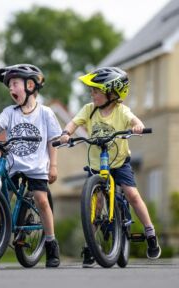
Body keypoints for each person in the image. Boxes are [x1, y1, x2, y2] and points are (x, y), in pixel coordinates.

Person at [60, 67, 161, 268]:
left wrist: (137, 127)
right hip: (97, 166)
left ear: (112, 92)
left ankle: (150, 232)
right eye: (92, 91)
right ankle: (91, 245)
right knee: (95, 207)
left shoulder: (121, 111)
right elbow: (73, 123)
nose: (92, 94)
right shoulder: (89, 109)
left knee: (132, 194)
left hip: (119, 162)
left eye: (96, 91)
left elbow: (134, 120)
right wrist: (66, 133)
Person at [0, 64, 62, 268]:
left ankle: (50, 243)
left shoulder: (45, 113)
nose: (11, 89)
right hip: (13, 165)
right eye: (9, 86)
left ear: (30, 85)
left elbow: (53, 140)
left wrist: (53, 166)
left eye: (14, 84)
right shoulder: (10, 112)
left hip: (37, 167)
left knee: (41, 199)